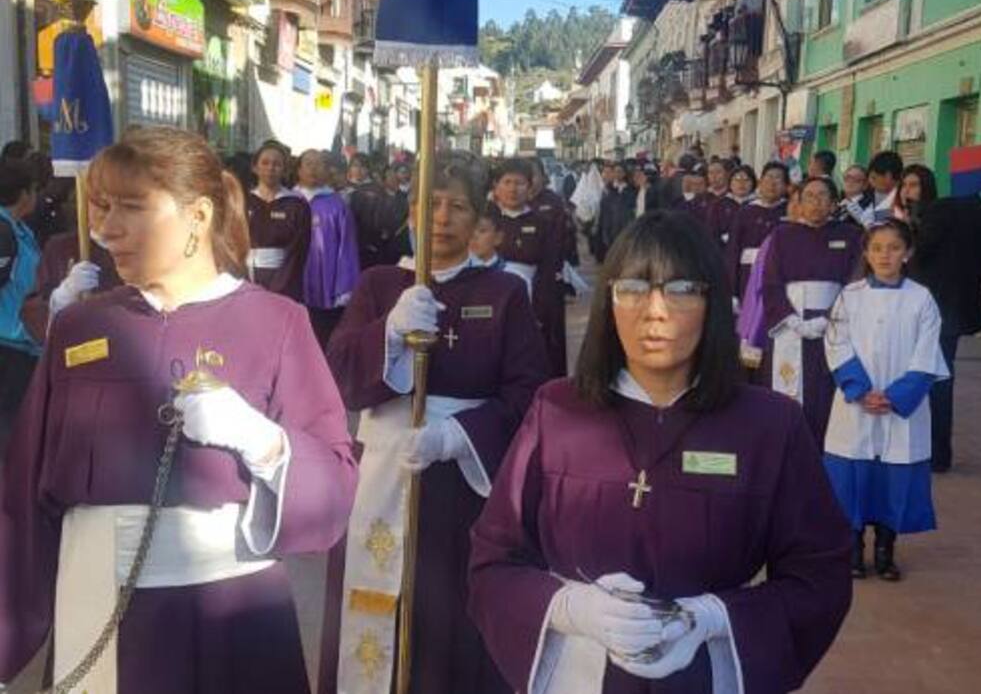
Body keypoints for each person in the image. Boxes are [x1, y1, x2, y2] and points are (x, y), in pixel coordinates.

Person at [0, 126, 356, 692]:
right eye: (102, 207)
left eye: (132, 208)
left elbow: (335, 485)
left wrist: (266, 444)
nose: (106, 229)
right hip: (98, 605)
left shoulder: (276, 324)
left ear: (198, 216)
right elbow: (20, 504)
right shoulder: (79, 328)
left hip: (231, 616)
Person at [468, 211, 852, 693]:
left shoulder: (768, 425)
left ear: (712, 302)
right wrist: (569, 609)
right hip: (578, 672)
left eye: (681, 289)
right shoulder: (557, 411)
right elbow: (494, 559)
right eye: (632, 288)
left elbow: (820, 573)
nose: (656, 310)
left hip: (707, 672)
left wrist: (712, 618)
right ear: (608, 302)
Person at [321, 153, 550, 694]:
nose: (442, 218)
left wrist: (457, 435)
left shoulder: (503, 294)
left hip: (461, 486)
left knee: (450, 623)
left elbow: (529, 396)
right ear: (411, 210)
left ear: (478, 220)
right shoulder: (379, 284)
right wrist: (390, 333)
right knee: (379, 617)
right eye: (430, 204)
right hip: (380, 475)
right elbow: (340, 375)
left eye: (458, 206)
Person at [824, 219, 949, 581]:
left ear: (908, 253)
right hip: (856, 401)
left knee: (893, 476)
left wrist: (896, 396)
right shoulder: (850, 296)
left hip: (900, 406)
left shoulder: (921, 298)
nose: (885, 255)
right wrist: (859, 389)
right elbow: (835, 342)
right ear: (865, 252)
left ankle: (885, 549)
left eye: (894, 248)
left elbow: (927, 353)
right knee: (851, 474)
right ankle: (851, 548)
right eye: (877, 248)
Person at [906, 170, 981, 473]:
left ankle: (924, 448)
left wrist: (911, 228)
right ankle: (939, 453)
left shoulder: (940, 209)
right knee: (943, 378)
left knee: (923, 376)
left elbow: (921, 252)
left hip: (930, 304)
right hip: (959, 307)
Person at [756, 176, 863, 445]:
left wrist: (830, 319)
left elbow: (856, 283)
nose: (816, 203)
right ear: (799, 203)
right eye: (809, 197)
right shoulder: (782, 236)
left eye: (823, 196)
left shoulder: (850, 235)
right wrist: (791, 320)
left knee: (825, 393)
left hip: (835, 327)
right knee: (788, 393)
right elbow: (770, 282)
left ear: (834, 201)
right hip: (790, 327)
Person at [20, 163, 122, 346]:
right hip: (75, 355)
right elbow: (32, 313)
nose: (107, 213)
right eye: (99, 204)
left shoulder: (142, 248)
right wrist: (61, 297)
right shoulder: (60, 248)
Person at [487, 159, 568, 377]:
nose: (513, 189)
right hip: (491, 302)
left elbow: (550, 268)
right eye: (507, 182)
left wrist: (539, 310)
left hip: (532, 301)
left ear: (530, 187)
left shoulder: (543, 222)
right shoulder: (485, 221)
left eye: (520, 183)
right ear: (496, 186)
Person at [296, 149, 361, 348]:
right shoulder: (289, 200)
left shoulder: (337, 205)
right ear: (298, 169)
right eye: (308, 163)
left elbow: (347, 248)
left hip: (325, 286)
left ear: (327, 170)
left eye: (319, 164)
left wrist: (344, 288)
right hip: (291, 284)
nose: (314, 169)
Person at [0, 159, 40, 453]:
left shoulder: (19, 230)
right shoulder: (3, 233)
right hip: (7, 343)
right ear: (24, 194)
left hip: (23, 340)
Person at [245, 140, 312, 303]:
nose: (270, 168)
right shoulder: (244, 200)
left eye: (277, 164)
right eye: (265, 163)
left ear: (285, 170)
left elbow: (299, 250)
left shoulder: (296, 204)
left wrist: (282, 283)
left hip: (285, 279)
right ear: (255, 167)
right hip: (247, 278)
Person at [726, 161, 788, 303]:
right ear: (760, 182)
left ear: (785, 186)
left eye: (778, 179)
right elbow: (733, 251)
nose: (772, 183)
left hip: (779, 277)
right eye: (768, 178)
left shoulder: (789, 211)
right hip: (748, 276)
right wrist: (732, 290)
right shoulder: (746, 212)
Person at [345, 153, 404, 270]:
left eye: (363, 166)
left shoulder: (376, 190)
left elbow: (384, 218)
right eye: (355, 166)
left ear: (368, 169)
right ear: (350, 168)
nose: (359, 170)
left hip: (369, 244)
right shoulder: (343, 187)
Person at [706, 160, 751, 254]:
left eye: (746, 180)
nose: (741, 184)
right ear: (730, 182)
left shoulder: (756, 205)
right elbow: (712, 234)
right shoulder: (719, 205)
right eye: (737, 180)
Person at [598, 162, 639, 259]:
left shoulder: (631, 190)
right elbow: (604, 210)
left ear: (624, 173)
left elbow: (632, 208)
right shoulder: (608, 189)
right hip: (611, 227)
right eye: (615, 172)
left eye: (620, 172)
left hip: (625, 226)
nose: (617, 174)